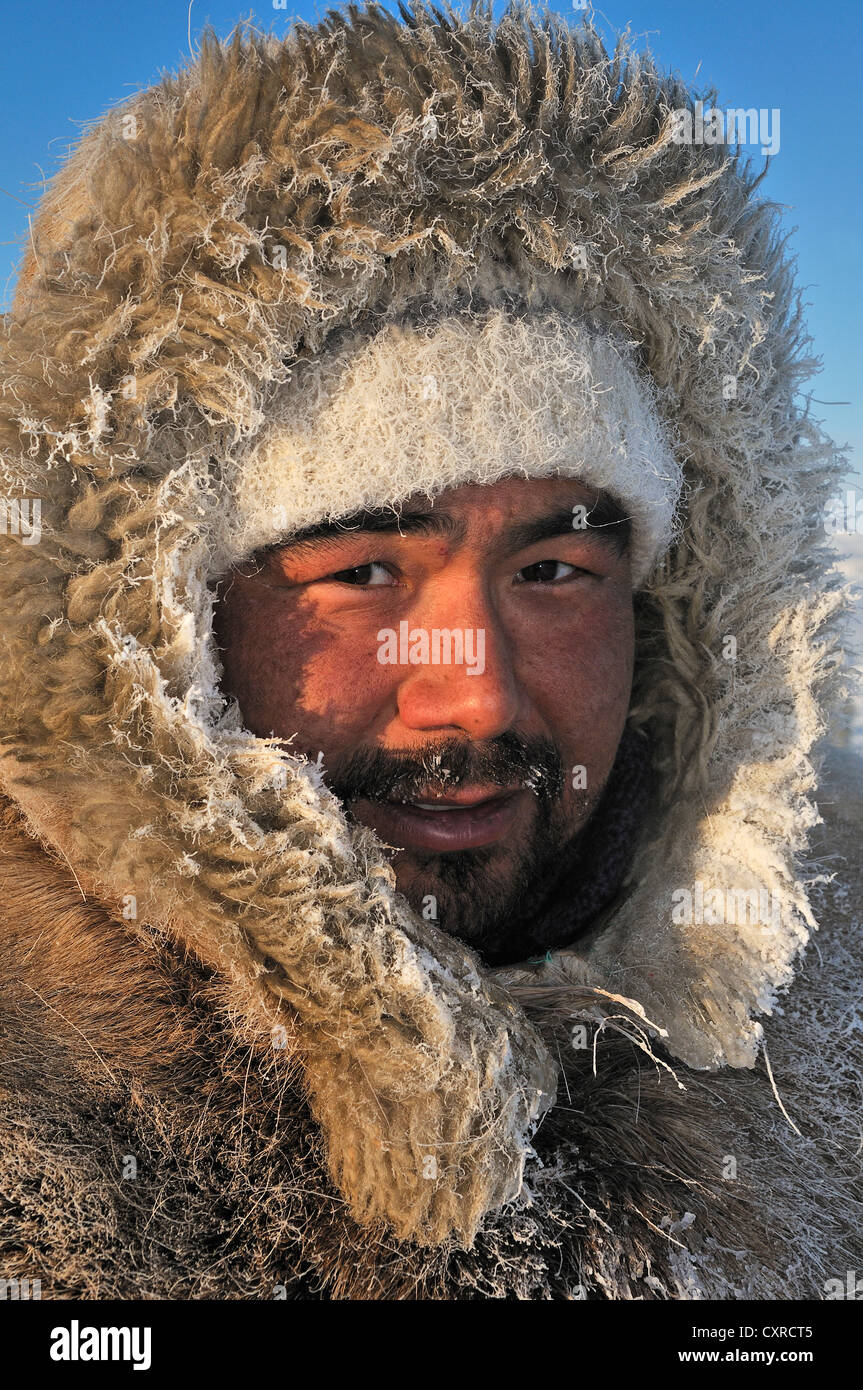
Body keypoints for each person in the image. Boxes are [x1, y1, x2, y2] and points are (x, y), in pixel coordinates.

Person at [0, 0, 859, 1300]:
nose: (474, 685)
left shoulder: (822, 1005)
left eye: (554, 571)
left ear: (674, 606)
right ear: (163, 623)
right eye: (362, 572)